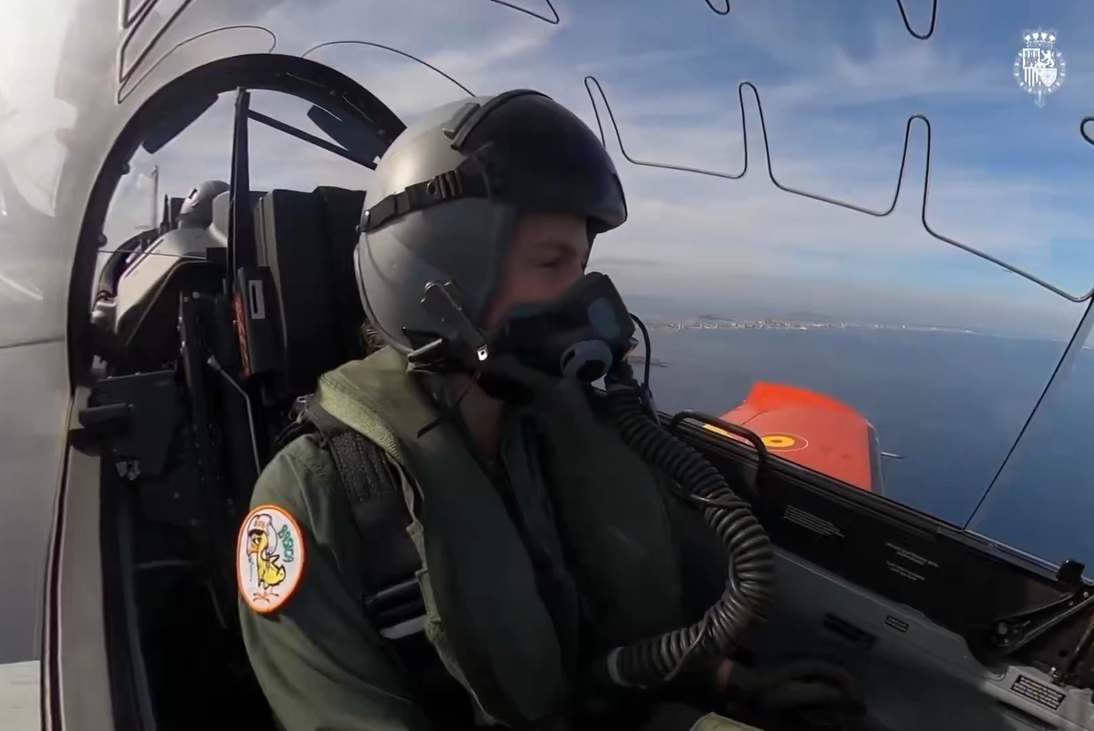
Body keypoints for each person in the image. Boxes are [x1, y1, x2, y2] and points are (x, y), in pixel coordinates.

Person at [237, 90, 862, 731]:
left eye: (582, 266)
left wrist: (723, 679)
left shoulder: (558, 424)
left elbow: (601, 639)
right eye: (549, 262)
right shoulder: (316, 497)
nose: (587, 298)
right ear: (435, 282)